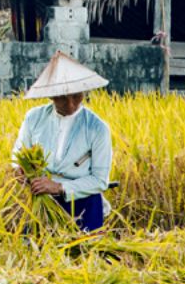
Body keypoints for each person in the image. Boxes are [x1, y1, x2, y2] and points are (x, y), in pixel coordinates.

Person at [10, 51, 113, 232]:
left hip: (84, 203)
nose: (71, 104)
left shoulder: (97, 128)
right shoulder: (34, 119)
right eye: (63, 98)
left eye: (76, 96)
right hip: (42, 201)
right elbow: (18, 154)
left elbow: (99, 180)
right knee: (37, 251)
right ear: (51, 96)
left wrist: (59, 187)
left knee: (84, 254)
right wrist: (20, 170)